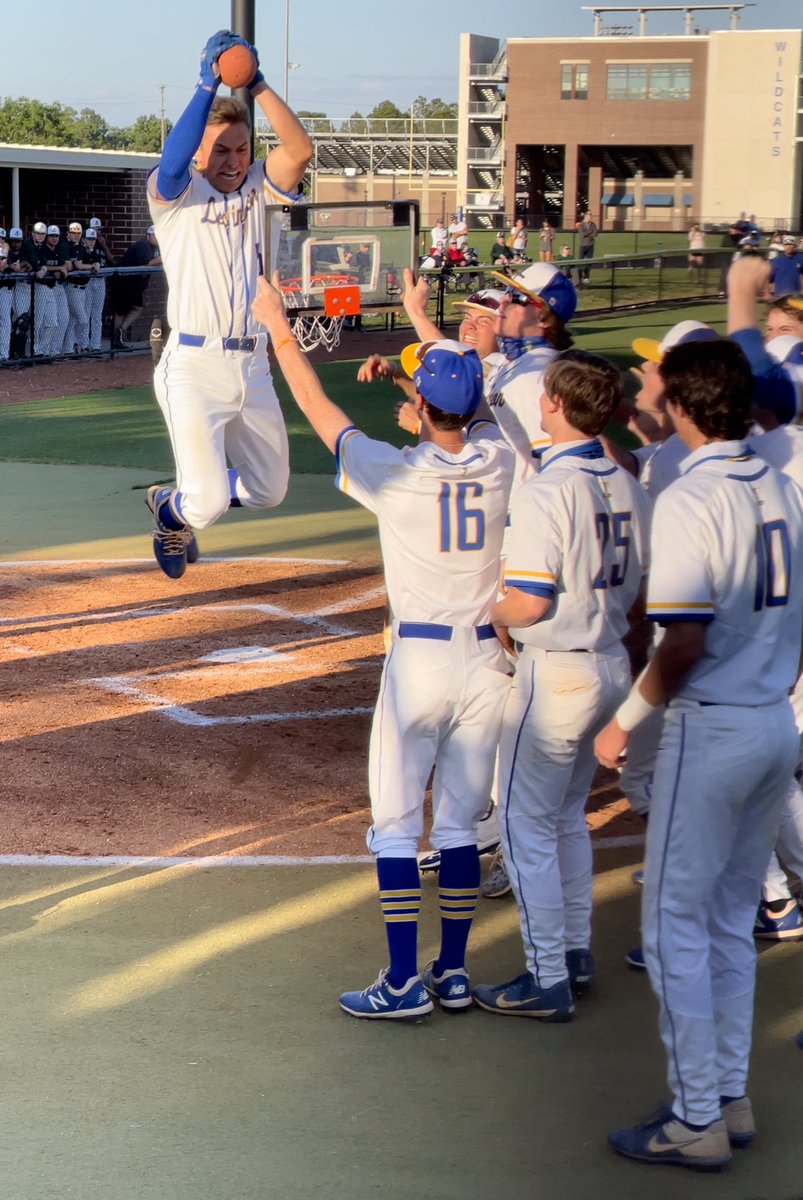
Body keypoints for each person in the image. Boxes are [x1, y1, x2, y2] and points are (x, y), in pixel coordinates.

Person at [254, 274, 515, 1020]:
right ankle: (454, 972)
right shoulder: (502, 461)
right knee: (462, 826)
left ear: (422, 406)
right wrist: (437, 395)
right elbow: (479, 416)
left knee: (397, 826)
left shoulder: (395, 474)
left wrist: (278, 327)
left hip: (420, 665)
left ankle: (402, 982)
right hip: (487, 665)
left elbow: (320, 410)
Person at [595, 337, 803, 1171]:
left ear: (683, 403)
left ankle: (693, 1119)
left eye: (657, 381)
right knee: (723, 926)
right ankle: (726, 1097)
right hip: (770, 725)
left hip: (712, 727)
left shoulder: (688, 495)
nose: (648, 388)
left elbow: (680, 644)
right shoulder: (781, 485)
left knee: (676, 925)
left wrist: (621, 723)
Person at [470, 349, 652, 1020]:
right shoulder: (625, 479)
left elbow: (529, 602)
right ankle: (572, 953)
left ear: (551, 404)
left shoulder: (547, 488)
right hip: (609, 664)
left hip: (556, 676)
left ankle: (546, 974)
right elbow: (641, 598)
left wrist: (488, 615)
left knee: (523, 825)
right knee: (566, 816)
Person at [144, 29, 313, 580]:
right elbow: (171, 165)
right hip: (194, 365)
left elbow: (300, 150)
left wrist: (256, 82)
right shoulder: (177, 195)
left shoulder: (259, 185)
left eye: (242, 148)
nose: (234, 159)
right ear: (199, 150)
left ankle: (179, 499)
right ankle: (172, 512)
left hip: (254, 364)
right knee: (208, 502)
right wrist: (205, 86)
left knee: (270, 489)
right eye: (220, 149)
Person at [111, 226, 160, 349]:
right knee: (121, 311)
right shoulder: (142, 245)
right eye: (155, 235)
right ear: (148, 236)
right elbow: (147, 263)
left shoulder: (155, 248)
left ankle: (120, 332)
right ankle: (116, 337)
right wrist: (162, 258)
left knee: (137, 307)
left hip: (135, 284)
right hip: (124, 282)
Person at [81, 228, 110, 351]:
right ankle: (84, 345)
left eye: (93, 239)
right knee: (85, 314)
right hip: (87, 281)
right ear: (84, 240)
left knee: (97, 315)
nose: (92, 241)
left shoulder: (100, 248)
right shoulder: (81, 250)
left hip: (100, 280)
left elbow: (110, 261)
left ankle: (96, 345)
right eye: (89, 239)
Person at [64, 222, 90, 353]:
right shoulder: (64, 245)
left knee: (72, 321)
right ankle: (83, 346)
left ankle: (69, 349)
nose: (76, 235)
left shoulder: (81, 247)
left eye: (78, 233)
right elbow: (77, 266)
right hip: (71, 287)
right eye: (73, 233)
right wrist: (91, 266)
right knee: (83, 319)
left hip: (82, 288)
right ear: (68, 233)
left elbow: (79, 264)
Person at [578, 211, 598, 282]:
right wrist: (590, 231)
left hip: (591, 246)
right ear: (586, 216)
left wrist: (589, 233)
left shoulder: (593, 225)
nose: (591, 217)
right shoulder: (581, 224)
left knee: (589, 262)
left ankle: (586, 277)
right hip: (583, 245)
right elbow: (582, 235)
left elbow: (595, 234)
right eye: (589, 215)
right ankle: (578, 277)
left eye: (591, 215)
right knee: (580, 262)